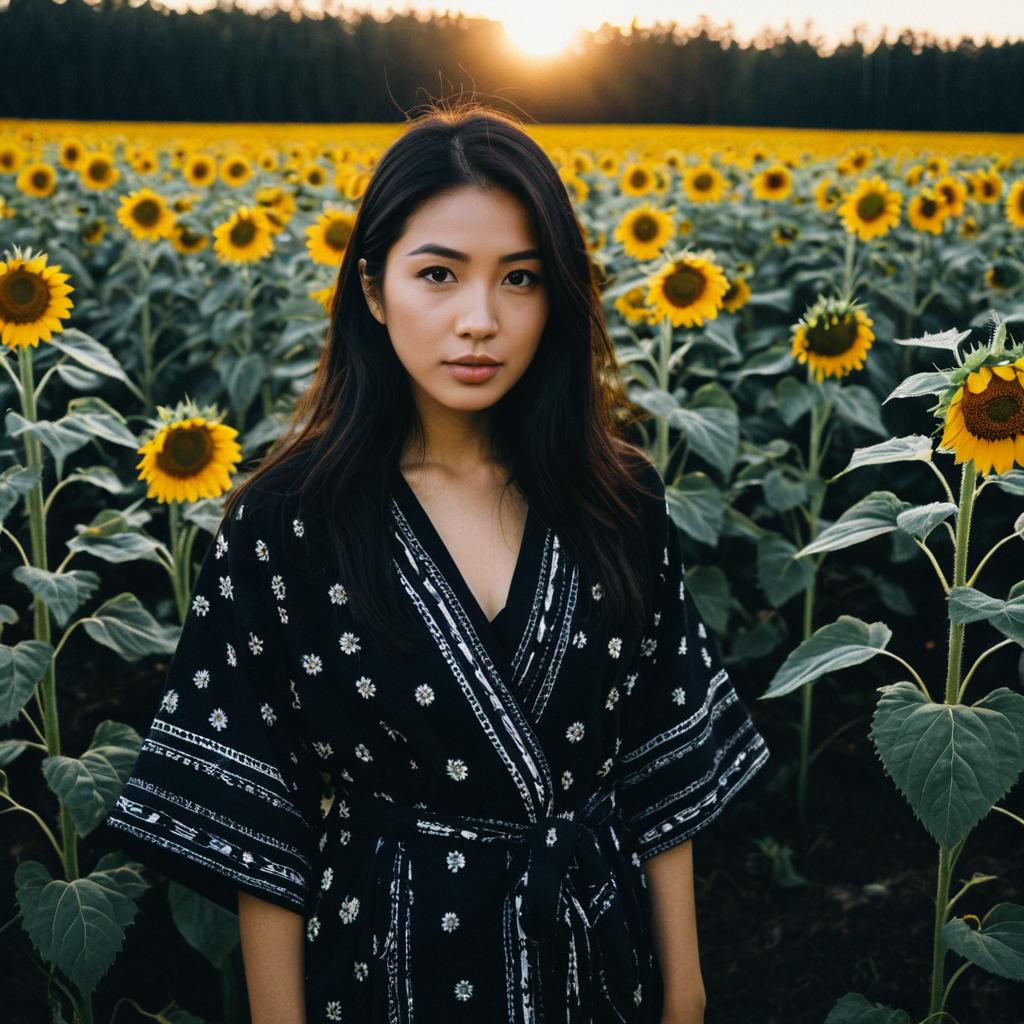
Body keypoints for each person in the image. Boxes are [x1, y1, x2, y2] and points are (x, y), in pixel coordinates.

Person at [100, 100, 770, 1024]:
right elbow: (262, 813)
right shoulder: (287, 521)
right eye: (439, 275)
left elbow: (662, 760)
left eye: (522, 278)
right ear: (373, 291)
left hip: (597, 958)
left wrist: (685, 993)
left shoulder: (618, 495)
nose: (481, 320)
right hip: (389, 957)